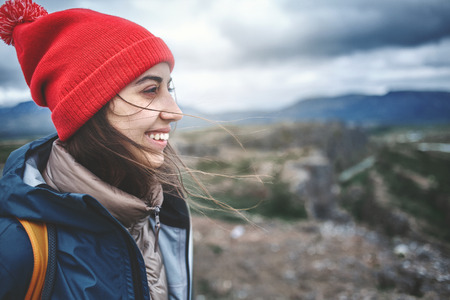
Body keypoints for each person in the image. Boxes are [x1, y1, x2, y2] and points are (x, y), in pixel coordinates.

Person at [0, 0, 192, 299]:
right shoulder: (15, 249)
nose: (175, 111)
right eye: (151, 90)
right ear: (89, 110)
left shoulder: (162, 207)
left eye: (170, 88)